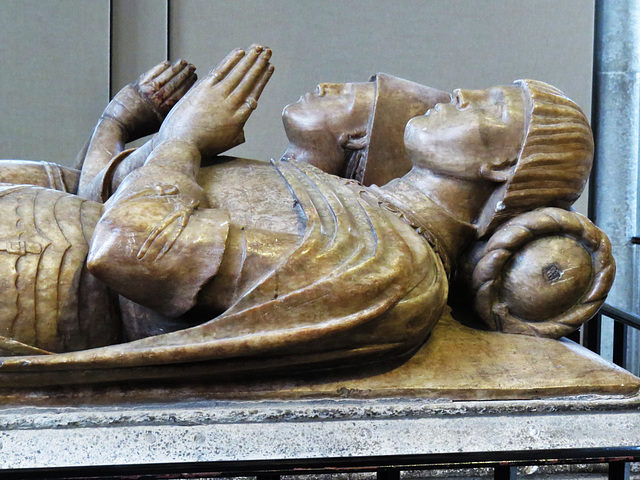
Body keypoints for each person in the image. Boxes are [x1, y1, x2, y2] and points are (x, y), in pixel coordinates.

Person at [0, 46, 593, 382]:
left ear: (503, 167)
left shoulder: (390, 268)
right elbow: (112, 192)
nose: (462, 94)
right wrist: (127, 125)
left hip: (36, 287)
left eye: (492, 105)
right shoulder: (342, 197)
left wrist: (184, 136)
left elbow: (134, 252)